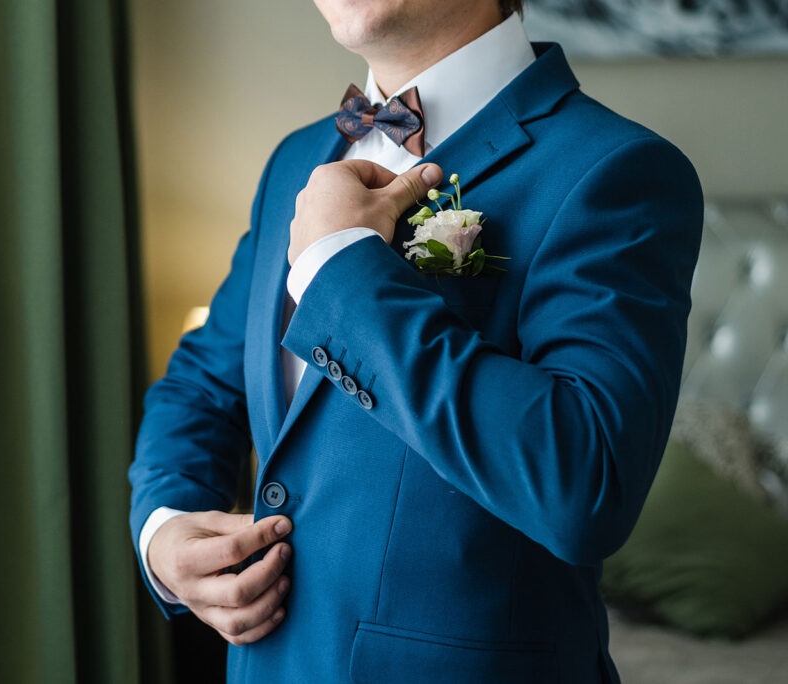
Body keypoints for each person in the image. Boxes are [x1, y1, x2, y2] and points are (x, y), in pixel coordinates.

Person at [129, 0, 703, 681]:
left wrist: (340, 269)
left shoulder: (620, 171)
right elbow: (204, 380)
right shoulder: (295, 161)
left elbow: (584, 486)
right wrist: (164, 526)